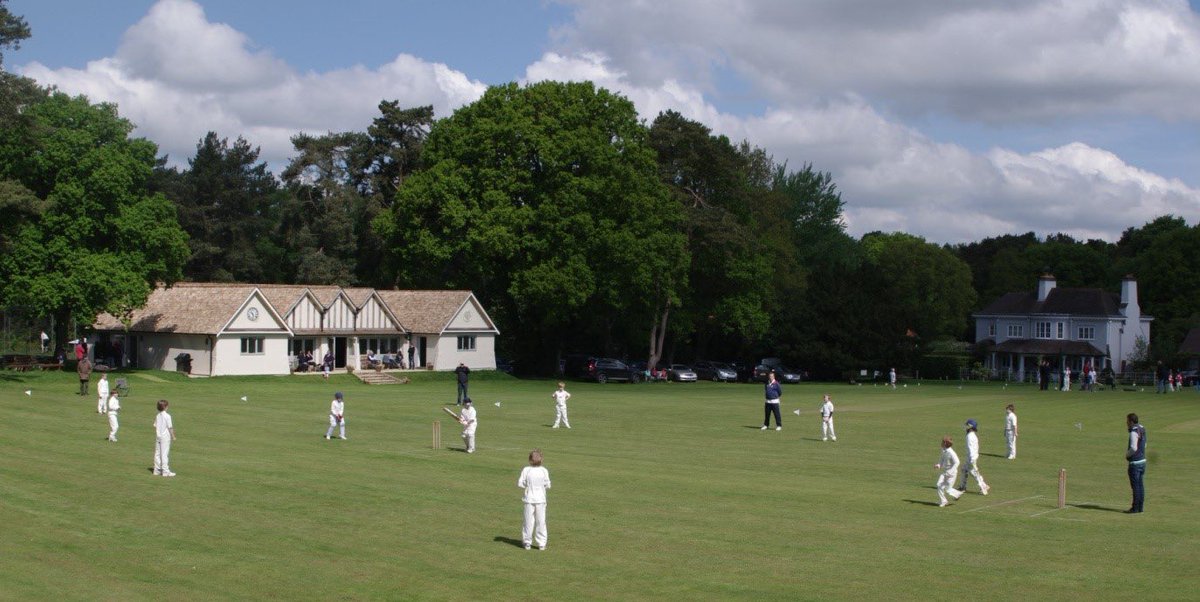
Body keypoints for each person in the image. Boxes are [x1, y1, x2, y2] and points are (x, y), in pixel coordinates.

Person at [518, 448, 552, 550]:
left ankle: (527, 542)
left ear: (530, 460)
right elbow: (548, 485)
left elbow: (520, 483)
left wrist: (528, 485)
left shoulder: (526, 470)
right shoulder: (544, 470)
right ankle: (541, 543)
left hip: (529, 499)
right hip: (540, 499)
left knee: (528, 521)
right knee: (541, 521)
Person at [956, 419, 990, 495]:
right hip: (972, 457)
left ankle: (983, 487)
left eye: (967, 425)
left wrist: (972, 459)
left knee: (974, 472)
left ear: (971, 427)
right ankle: (963, 487)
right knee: (964, 470)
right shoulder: (972, 435)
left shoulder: (970, 436)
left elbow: (971, 448)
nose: (965, 427)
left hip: (971, 458)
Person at [1125, 413, 1147, 513]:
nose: (1126, 423)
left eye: (1127, 421)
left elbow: (1133, 447)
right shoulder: (1142, 428)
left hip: (1135, 463)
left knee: (1135, 487)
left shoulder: (1134, 432)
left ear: (1131, 421)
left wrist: (1127, 455)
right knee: (1140, 485)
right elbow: (1145, 444)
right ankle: (1140, 508)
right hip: (1142, 461)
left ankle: (1135, 508)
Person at [935, 436, 964, 507]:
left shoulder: (951, 452)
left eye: (942, 441)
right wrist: (939, 465)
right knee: (939, 485)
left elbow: (957, 462)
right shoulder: (943, 450)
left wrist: (951, 472)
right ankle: (944, 501)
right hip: (945, 472)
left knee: (947, 489)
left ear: (945, 443)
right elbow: (942, 459)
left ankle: (957, 494)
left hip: (951, 474)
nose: (941, 443)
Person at [153, 399, 176, 477]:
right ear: (165, 407)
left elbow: (155, 425)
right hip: (165, 437)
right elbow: (170, 427)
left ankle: (157, 470)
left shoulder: (158, 415)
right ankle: (165, 471)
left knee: (157, 453)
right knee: (164, 454)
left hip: (158, 436)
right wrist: (173, 436)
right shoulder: (167, 416)